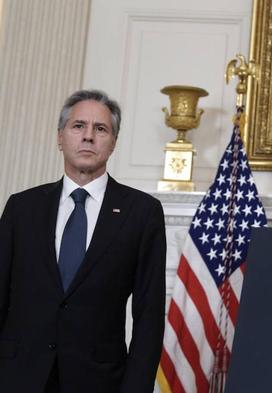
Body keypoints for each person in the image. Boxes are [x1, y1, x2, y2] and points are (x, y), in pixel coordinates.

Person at [0, 90, 166, 392]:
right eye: (78, 126)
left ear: (113, 142)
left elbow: (149, 315)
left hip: (100, 381)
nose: (88, 136)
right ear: (60, 137)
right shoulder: (21, 208)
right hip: (18, 377)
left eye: (100, 129)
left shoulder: (142, 213)